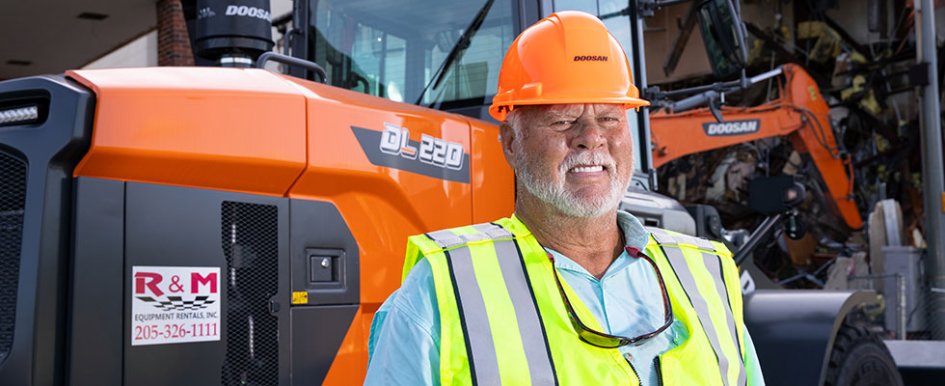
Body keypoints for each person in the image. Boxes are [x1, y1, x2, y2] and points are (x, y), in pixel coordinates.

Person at [365, 10, 764, 386]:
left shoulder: (707, 274)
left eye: (609, 118)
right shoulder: (441, 290)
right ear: (509, 144)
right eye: (562, 120)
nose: (591, 136)